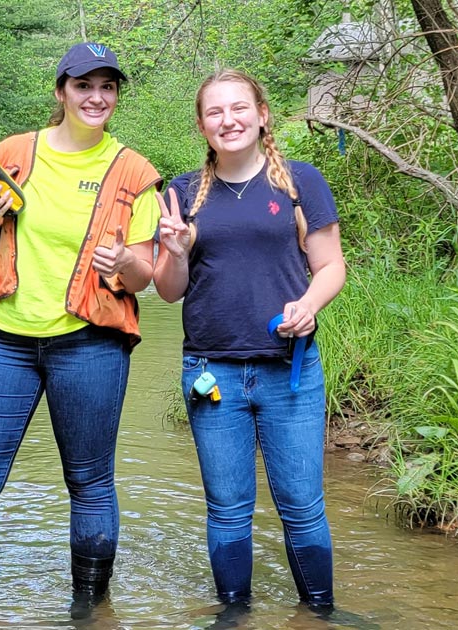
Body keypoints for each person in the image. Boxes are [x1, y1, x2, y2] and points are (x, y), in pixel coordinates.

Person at [0, 42, 162, 606]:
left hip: (90, 346)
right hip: (4, 342)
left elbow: (144, 277)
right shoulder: (13, 152)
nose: (96, 96)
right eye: (84, 85)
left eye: (107, 86)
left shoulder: (135, 171)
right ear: (61, 91)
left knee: (89, 484)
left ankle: (89, 611)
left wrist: (126, 264)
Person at [153, 69, 346, 613]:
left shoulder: (300, 182)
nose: (228, 120)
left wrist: (308, 306)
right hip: (210, 372)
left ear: (262, 115)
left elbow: (331, 266)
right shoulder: (182, 192)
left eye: (239, 108)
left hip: (292, 370)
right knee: (228, 509)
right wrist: (174, 249)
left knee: (303, 506)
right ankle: (233, 614)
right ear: (202, 125)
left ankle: (320, 613)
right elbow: (169, 292)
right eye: (215, 112)